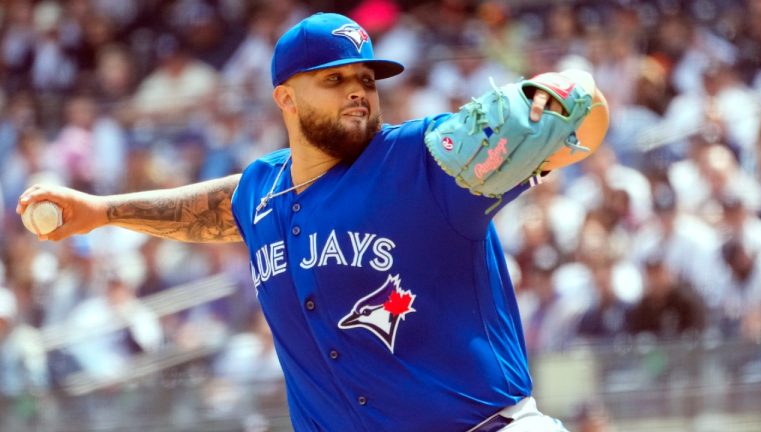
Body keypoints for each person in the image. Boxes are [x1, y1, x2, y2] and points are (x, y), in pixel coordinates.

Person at [17, 12, 605, 432]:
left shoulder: (426, 159)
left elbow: (579, 115)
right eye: (335, 79)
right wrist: (104, 212)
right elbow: (223, 209)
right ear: (285, 98)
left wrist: (568, 96)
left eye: (367, 81)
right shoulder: (264, 191)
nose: (358, 93)